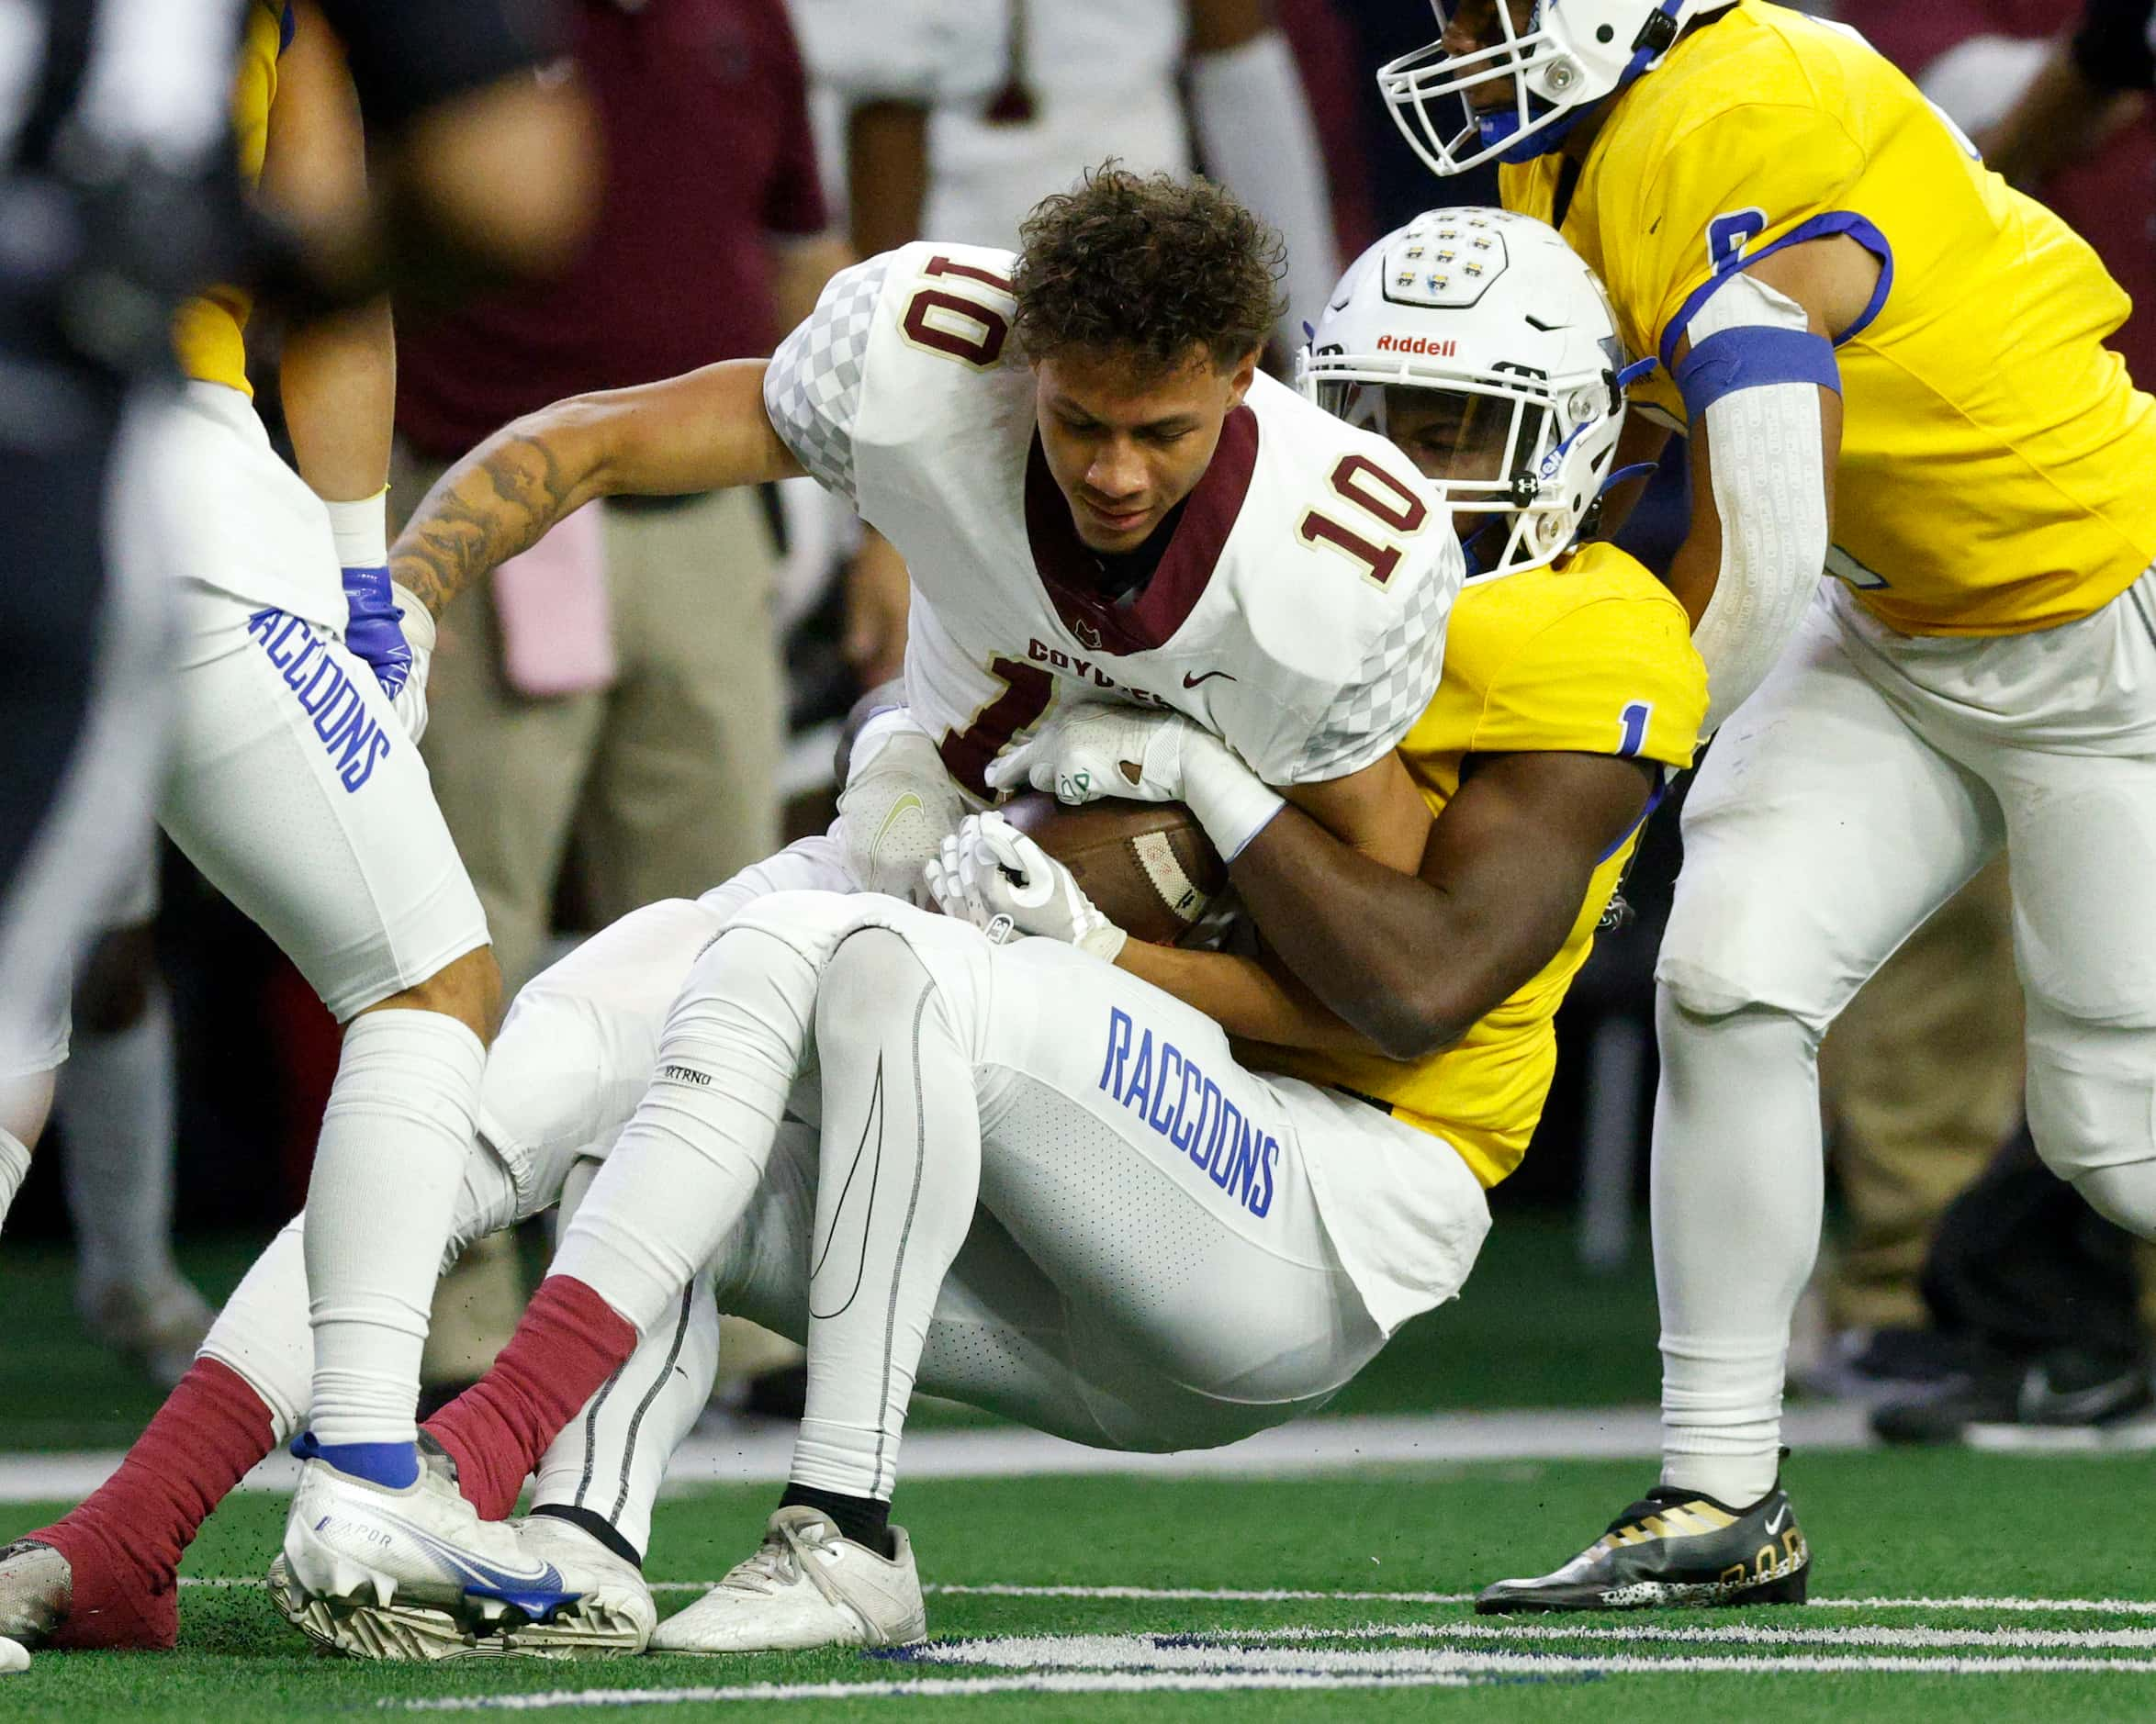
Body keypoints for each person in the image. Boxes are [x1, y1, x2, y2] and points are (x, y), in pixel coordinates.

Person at [273, 206, 1704, 1661]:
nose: (1416, 469)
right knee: (657, 1061)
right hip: (1064, 1160)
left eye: (1462, 427)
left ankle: (845, 1524)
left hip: (1329, 1201)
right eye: (1389, 417)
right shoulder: (1166, 495)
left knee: (902, 968)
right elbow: (625, 445)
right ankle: (568, 1533)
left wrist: (1140, 885)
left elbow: (1413, 992)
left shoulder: (1561, 628)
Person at [1381, 0, 2156, 1610]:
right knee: (1725, 978)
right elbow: (1601, 466)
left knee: (2114, 1135)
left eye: (1492, 10)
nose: (1465, 35)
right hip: (1895, 628)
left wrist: (1614, 747)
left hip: (2102, 622)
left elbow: (1769, 523)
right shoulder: (1569, 160)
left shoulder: (1751, 99)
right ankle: (1720, 1492)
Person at [0, 1, 593, 1645]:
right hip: (130, 453)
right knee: (425, 978)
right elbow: (477, 191)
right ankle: (365, 1472)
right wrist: (354, 569)